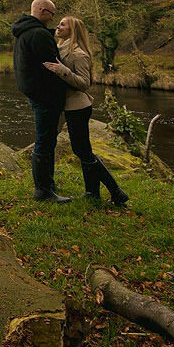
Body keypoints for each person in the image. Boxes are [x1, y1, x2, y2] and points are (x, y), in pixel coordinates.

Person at [45, 16, 129, 207]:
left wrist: (62, 70)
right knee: (84, 151)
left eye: (63, 24)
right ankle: (93, 193)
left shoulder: (78, 54)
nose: (58, 26)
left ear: (72, 30)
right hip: (70, 106)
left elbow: (85, 84)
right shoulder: (62, 48)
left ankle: (116, 191)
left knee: (82, 151)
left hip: (79, 107)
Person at [9, 0, 71, 202]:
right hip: (45, 95)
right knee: (45, 140)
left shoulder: (23, 32)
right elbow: (52, 65)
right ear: (43, 11)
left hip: (35, 93)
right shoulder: (38, 34)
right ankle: (43, 190)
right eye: (52, 14)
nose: (53, 19)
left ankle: (48, 183)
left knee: (47, 139)